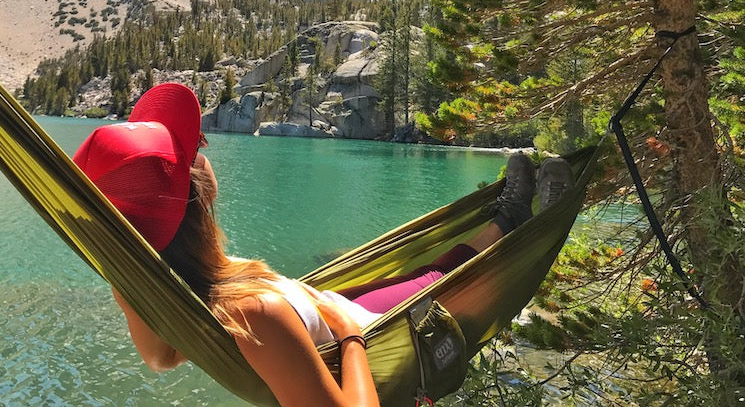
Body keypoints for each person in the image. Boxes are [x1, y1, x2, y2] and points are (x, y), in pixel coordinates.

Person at [72, 83, 572, 406]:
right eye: (195, 150)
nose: (206, 150)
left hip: (321, 308)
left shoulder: (172, 283)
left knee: (417, 275)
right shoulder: (255, 315)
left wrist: (127, 279)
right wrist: (350, 339)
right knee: (437, 282)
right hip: (356, 332)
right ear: (198, 194)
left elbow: (160, 356)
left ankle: (507, 215)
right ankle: (522, 227)